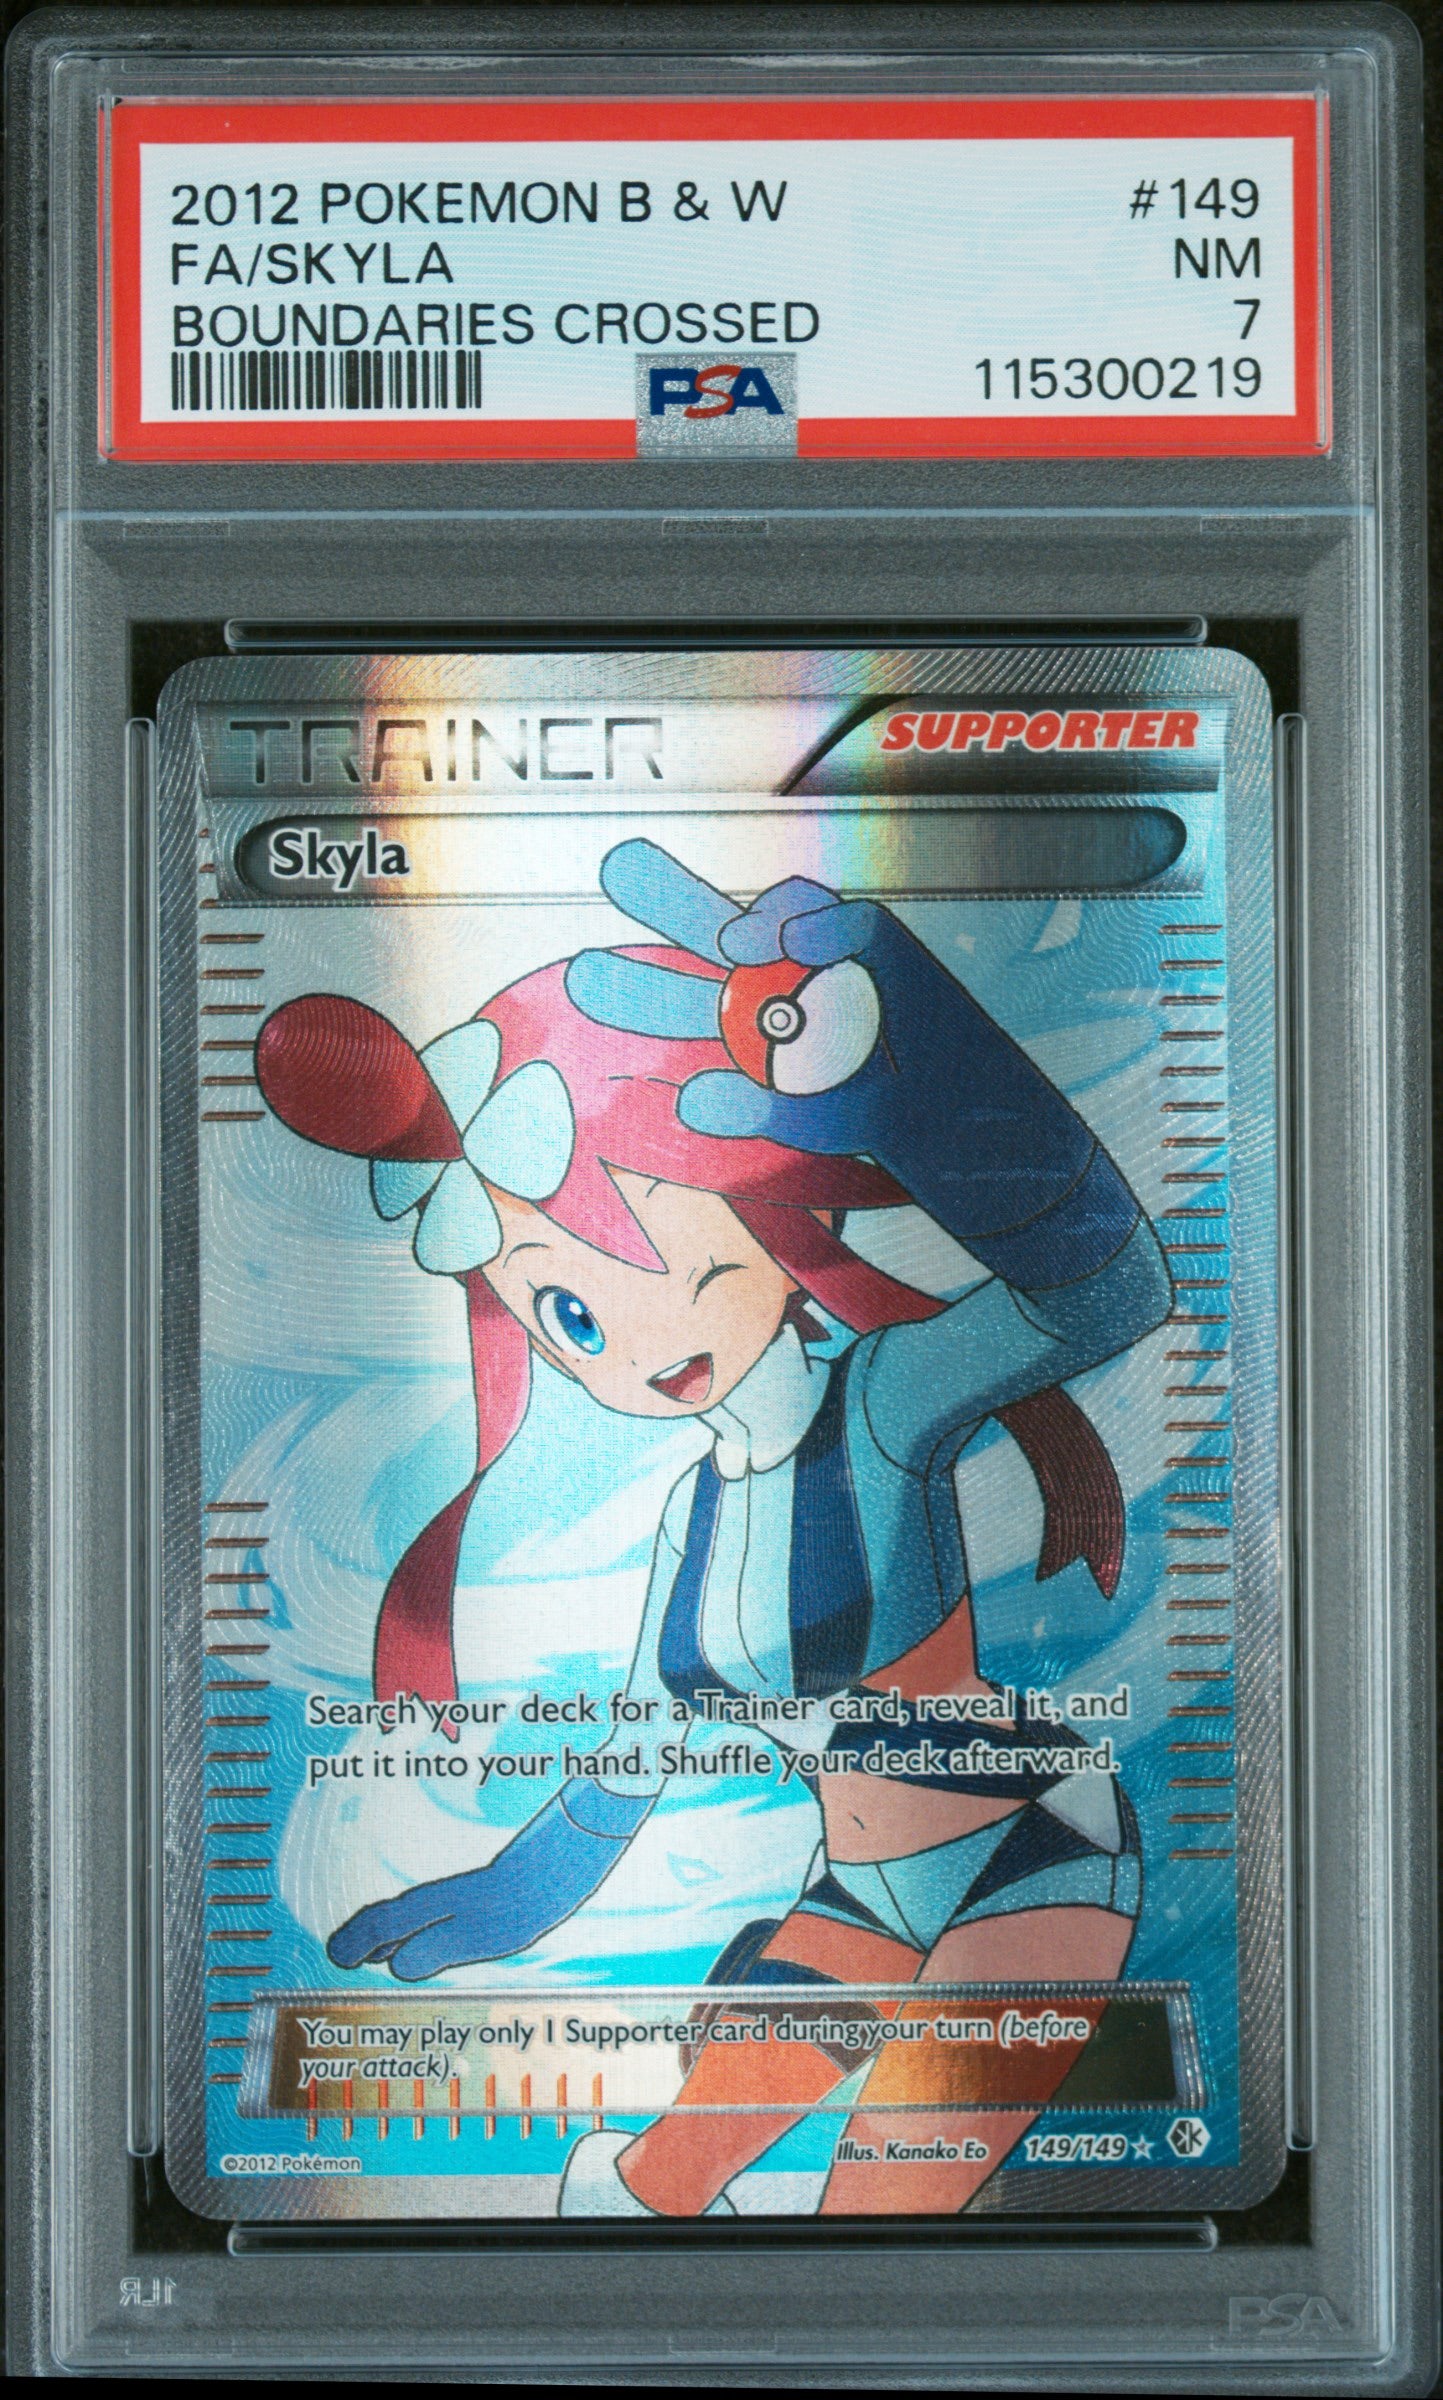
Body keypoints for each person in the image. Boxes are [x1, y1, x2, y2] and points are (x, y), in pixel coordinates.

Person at [255, 840, 1173, 2216]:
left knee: (880, 2222)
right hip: (857, 1893)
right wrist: (516, 1892)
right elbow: (630, 1757)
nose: (638, 1343)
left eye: (681, 1262)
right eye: (569, 1313)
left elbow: (1111, 1293)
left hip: (1030, 1845)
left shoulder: (884, 1406)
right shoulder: (692, 1515)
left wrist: (946, 1089)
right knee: (649, 2191)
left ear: (769, 1213)